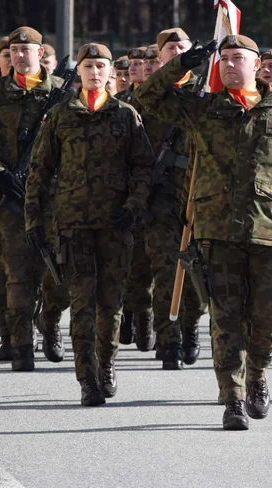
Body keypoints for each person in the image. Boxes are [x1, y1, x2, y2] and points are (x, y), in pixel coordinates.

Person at [135, 34, 272, 431]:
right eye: (224, 59)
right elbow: (148, 97)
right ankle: (233, 398)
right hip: (216, 232)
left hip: (268, 232)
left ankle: (257, 375)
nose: (229, 65)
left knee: (270, 313)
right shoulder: (203, 109)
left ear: (256, 66)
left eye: (238, 58)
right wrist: (184, 63)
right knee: (225, 319)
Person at [25, 42, 153, 405]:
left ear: (111, 72)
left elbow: (144, 166)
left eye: (101, 66)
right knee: (82, 303)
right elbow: (39, 171)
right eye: (88, 66)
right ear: (78, 72)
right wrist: (34, 221)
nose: (94, 72)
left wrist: (134, 204)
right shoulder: (61, 116)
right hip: (72, 225)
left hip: (115, 225)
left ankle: (107, 363)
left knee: (110, 302)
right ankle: (87, 378)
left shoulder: (126, 116)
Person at [0, 26, 71, 371]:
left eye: (28, 50)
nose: (22, 55)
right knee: (17, 275)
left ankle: (50, 322)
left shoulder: (62, 94)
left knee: (61, 276)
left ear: (41, 54)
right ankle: (20, 344)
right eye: (16, 50)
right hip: (10, 198)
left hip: (54, 199)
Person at [135, 28, 208, 370]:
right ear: (161, 56)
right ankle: (170, 338)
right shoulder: (154, 94)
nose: (177, 50)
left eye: (183, 46)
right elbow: (146, 95)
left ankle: (191, 325)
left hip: (202, 193)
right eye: (170, 49)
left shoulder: (206, 91)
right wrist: (178, 66)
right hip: (161, 197)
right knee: (167, 270)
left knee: (199, 268)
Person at [115, 45, 157, 350]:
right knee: (132, 261)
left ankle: (153, 323)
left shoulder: (169, 100)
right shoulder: (120, 104)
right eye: (135, 63)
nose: (138, 68)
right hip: (128, 193)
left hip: (165, 191)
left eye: (147, 62)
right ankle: (133, 315)